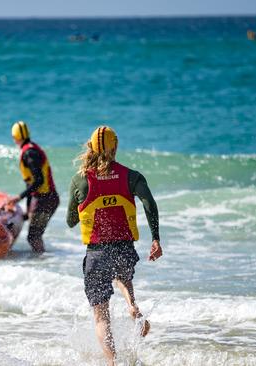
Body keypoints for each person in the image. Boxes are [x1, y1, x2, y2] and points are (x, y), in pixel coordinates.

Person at [66, 126, 162, 366]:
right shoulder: (131, 176)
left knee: (101, 317)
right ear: (115, 147)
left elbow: (70, 220)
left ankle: (113, 363)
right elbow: (149, 203)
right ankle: (132, 305)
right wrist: (156, 238)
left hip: (97, 254)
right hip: (124, 248)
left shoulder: (80, 180)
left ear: (90, 147)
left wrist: (87, 206)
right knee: (121, 275)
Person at [8, 121, 59, 253]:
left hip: (45, 200)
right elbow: (32, 185)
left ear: (17, 137)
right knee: (34, 234)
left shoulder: (29, 153)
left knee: (33, 236)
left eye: (13, 137)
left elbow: (39, 181)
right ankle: (42, 261)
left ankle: (43, 264)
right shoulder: (32, 148)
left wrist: (18, 197)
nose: (13, 140)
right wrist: (27, 210)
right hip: (45, 199)